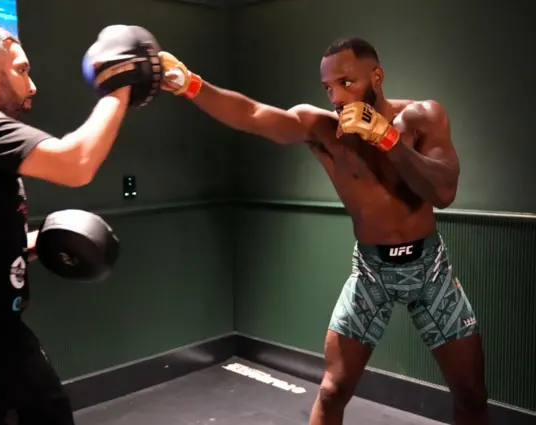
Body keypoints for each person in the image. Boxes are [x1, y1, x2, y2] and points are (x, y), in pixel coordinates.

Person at [158, 37, 489, 425]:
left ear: (376, 76)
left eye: (347, 82)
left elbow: (444, 191)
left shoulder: (422, 117)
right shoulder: (326, 132)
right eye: (329, 87)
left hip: (429, 269)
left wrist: (386, 137)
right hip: (372, 273)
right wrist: (190, 84)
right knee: (331, 391)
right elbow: (251, 114)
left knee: (471, 394)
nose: (337, 96)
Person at [0, 23, 161, 424]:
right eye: (21, 70)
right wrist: (119, 85)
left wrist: (45, 242)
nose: (32, 85)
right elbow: (77, 164)